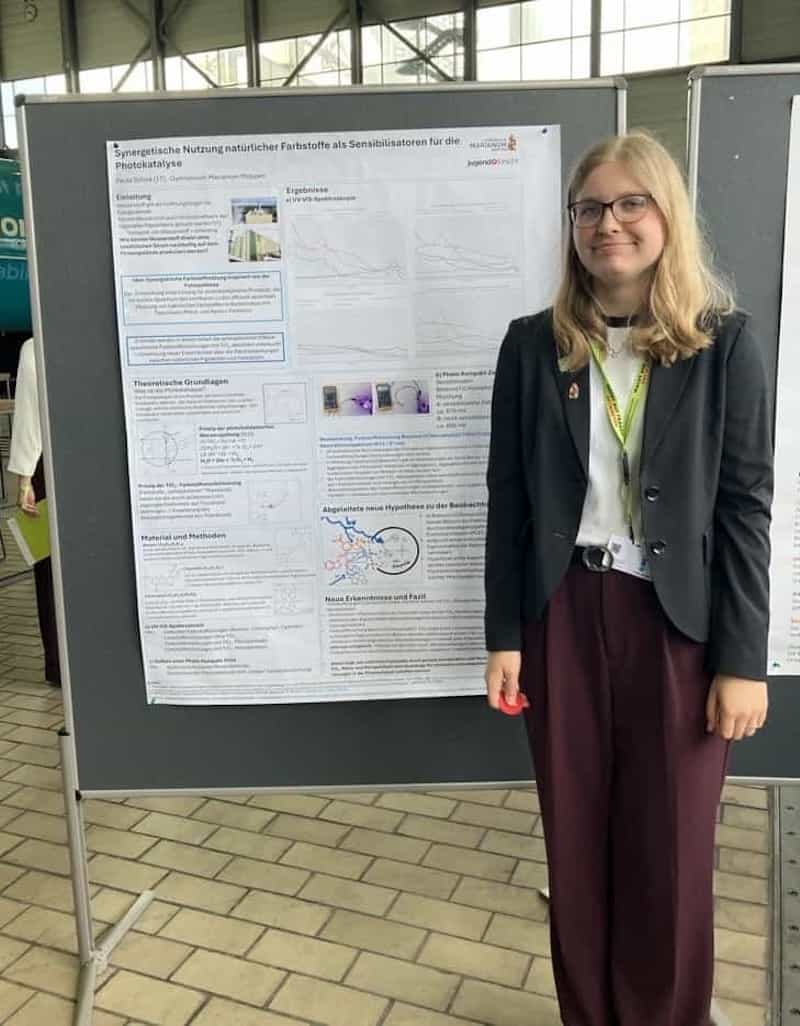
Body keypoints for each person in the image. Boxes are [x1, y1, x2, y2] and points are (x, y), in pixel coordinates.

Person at [484, 130, 772, 1026]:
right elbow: (507, 499)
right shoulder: (532, 346)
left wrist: (743, 661)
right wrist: (504, 635)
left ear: (665, 215)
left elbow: (745, 509)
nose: (608, 224)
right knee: (576, 841)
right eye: (590, 209)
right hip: (563, 613)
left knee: (672, 846)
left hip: (677, 624)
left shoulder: (723, 344)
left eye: (629, 203)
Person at [7, 337, 61, 687]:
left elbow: (30, 418)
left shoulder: (35, 346)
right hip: (96, 466)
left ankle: (59, 664)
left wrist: (24, 479)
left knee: (49, 567)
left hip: (49, 470)